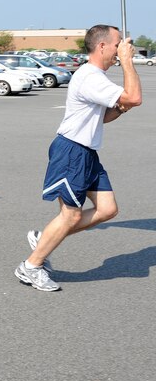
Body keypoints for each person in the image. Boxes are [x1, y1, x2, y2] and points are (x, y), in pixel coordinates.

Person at [15, 25, 141, 292]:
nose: (120, 50)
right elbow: (135, 97)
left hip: (87, 153)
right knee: (71, 215)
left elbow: (105, 115)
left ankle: (45, 240)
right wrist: (128, 63)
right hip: (71, 150)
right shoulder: (90, 77)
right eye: (117, 44)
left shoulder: (96, 76)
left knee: (107, 209)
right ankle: (31, 266)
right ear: (102, 46)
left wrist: (120, 108)